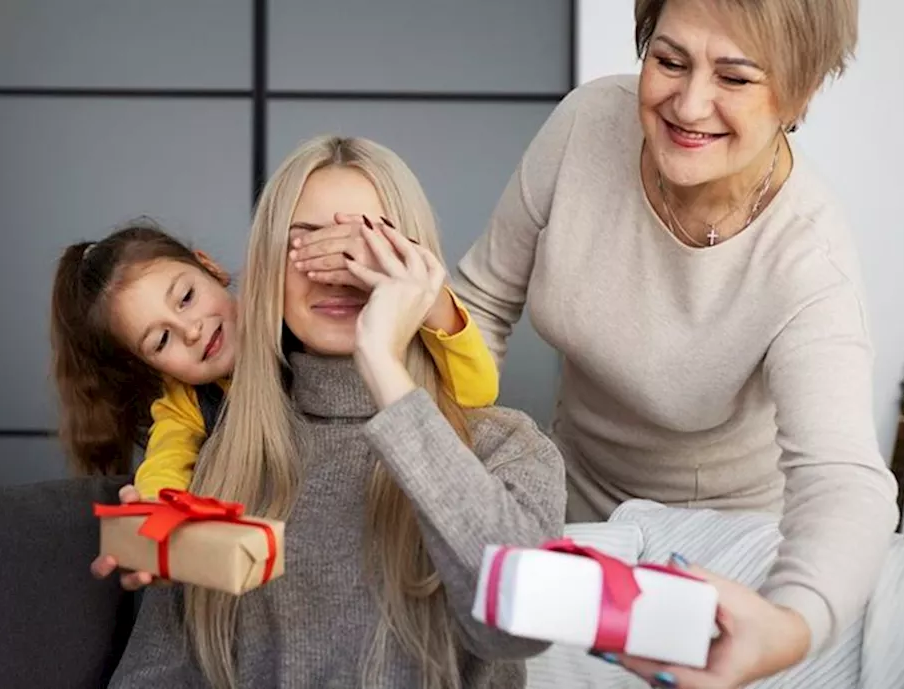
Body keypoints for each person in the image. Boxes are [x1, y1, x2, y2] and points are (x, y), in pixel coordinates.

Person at [433, 0, 896, 686]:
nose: (689, 103)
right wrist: (436, 469)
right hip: (572, 514)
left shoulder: (808, 264)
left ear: (800, 92)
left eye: (735, 78)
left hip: (723, 551)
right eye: (670, 61)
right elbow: (478, 305)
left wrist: (792, 621)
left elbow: (843, 479)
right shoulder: (587, 125)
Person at [104, 134, 567, 689]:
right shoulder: (216, 464)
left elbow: (521, 624)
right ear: (267, 267)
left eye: (367, 243)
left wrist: (382, 360)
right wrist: (154, 526)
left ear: (416, 266)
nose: (337, 268)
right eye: (308, 244)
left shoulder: (505, 447)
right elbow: (155, 674)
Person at [48, 219, 500, 496]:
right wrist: (159, 511)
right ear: (148, 365)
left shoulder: (306, 323)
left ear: (210, 268)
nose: (190, 330)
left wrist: (431, 299)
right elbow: (165, 468)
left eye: (185, 297)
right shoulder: (187, 404)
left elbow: (475, 392)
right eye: (160, 341)